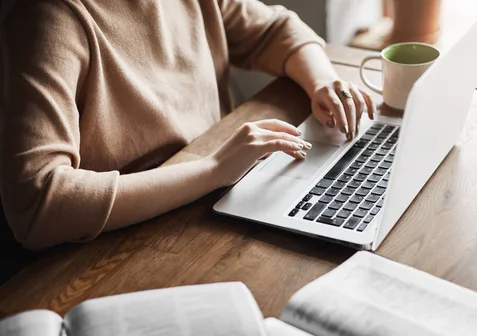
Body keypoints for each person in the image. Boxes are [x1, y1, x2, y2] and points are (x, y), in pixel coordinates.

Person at [0, 0, 375, 250]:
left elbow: (274, 29)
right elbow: (40, 202)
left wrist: (322, 80)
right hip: (123, 242)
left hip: (215, 195)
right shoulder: (47, 21)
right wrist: (212, 169)